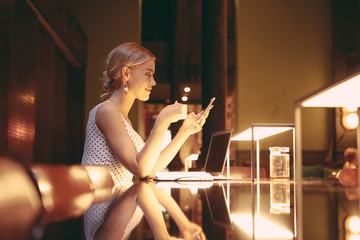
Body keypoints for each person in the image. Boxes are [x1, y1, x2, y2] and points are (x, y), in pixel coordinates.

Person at [81, 42, 210, 240]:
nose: (153, 82)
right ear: (126, 73)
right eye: (148, 74)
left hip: (121, 201)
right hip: (104, 204)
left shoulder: (124, 119)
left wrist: (184, 132)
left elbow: (149, 170)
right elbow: (140, 169)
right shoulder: (106, 111)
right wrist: (161, 121)